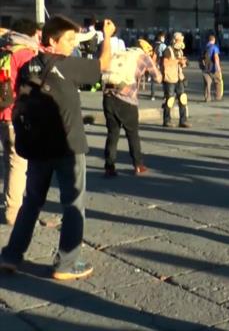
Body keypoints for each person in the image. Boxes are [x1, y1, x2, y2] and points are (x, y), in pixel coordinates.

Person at [0, 15, 115, 280]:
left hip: (37, 146)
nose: (73, 44)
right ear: (53, 40)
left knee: (31, 203)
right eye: (69, 39)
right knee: (74, 204)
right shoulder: (65, 64)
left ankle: (11, 256)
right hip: (67, 146)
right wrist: (107, 35)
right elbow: (103, 64)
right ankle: (66, 263)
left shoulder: (29, 66)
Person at [0, 19, 40, 225]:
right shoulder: (25, 53)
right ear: (31, 33)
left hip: (2, 114)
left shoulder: (3, 49)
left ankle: (11, 203)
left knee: (10, 161)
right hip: (17, 114)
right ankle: (13, 213)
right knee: (19, 164)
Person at [102, 39, 162, 178]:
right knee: (132, 134)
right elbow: (158, 78)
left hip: (108, 96)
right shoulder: (143, 56)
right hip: (127, 99)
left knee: (112, 133)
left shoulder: (119, 53)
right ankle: (138, 165)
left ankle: (109, 167)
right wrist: (151, 62)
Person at [161, 32, 190, 128]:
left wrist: (184, 63)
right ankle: (166, 120)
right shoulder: (168, 50)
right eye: (179, 40)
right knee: (169, 99)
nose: (181, 42)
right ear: (174, 40)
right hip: (170, 79)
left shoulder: (180, 51)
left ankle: (183, 121)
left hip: (179, 78)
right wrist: (178, 61)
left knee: (183, 99)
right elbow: (165, 63)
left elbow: (182, 64)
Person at [201, 34, 223, 102]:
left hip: (204, 67)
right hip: (213, 68)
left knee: (207, 83)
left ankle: (207, 97)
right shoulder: (214, 47)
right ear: (214, 40)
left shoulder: (203, 47)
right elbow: (216, 58)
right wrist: (218, 67)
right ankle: (218, 96)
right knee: (218, 81)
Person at [150, 31, 168, 100]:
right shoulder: (163, 46)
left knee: (153, 80)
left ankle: (152, 95)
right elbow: (164, 56)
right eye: (163, 37)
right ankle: (165, 96)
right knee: (163, 80)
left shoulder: (152, 44)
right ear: (160, 37)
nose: (164, 38)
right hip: (160, 64)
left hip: (152, 64)